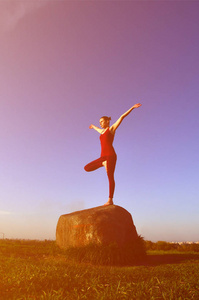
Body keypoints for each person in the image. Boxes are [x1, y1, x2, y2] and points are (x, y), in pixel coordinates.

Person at [84, 103, 142, 206]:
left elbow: (122, 117)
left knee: (110, 177)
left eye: (102, 121)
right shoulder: (101, 131)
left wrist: (132, 108)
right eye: (99, 122)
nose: (101, 123)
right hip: (103, 157)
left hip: (110, 155)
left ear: (107, 121)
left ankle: (110, 200)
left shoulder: (111, 129)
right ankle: (103, 164)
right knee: (86, 168)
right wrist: (93, 126)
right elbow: (98, 129)